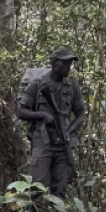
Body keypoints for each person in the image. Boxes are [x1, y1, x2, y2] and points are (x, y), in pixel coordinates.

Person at [17, 48, 86, 199]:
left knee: (60, 187)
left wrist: (69, 131)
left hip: (63, 144)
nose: (68, 67)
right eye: (65, 64)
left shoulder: (72, 87)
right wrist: (42, 115)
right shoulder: (37, 85)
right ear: (54, 64)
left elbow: (80, 114)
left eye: (70, 64)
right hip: (43, 141)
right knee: (37, 186)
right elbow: (21, 112)